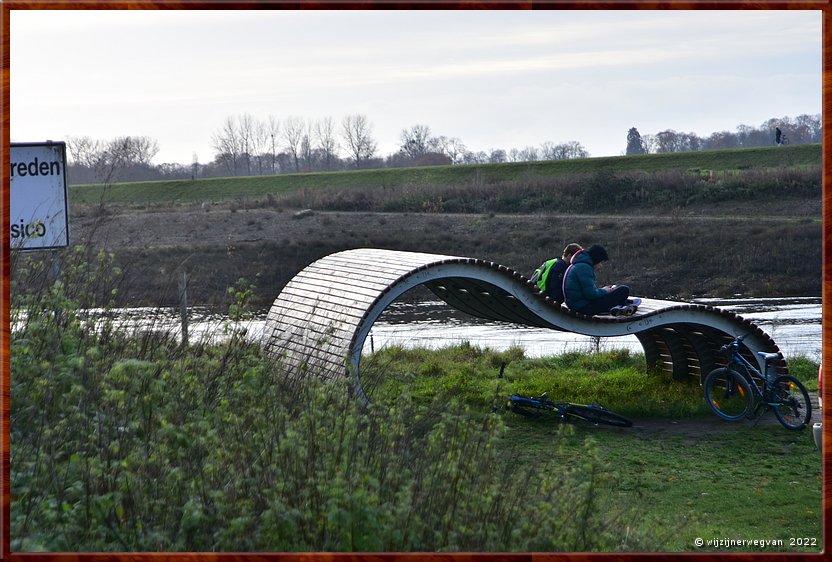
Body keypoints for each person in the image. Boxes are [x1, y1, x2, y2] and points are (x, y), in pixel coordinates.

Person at [562, 244, 632, 316]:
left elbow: (588, 291)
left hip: (577, 304)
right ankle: (620, 305)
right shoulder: (584, 268)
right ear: (596, 259)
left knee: (614, 291)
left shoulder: (578, 265)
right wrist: (605, 291)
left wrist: (603, 290)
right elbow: (591, 294)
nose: (601, 266)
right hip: (583, 307)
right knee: (623, 290)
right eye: (601, 262)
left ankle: (620, 304)